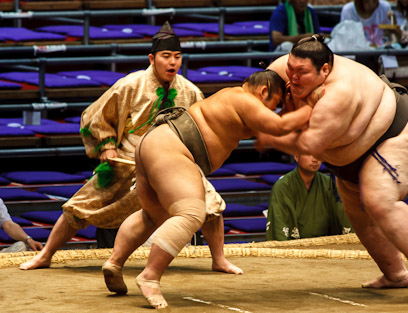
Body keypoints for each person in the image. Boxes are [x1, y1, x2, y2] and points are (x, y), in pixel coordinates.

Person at [19, 22, 241, 275]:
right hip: (129, 158)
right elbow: (97, 116)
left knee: (211, 204)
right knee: (78, 207)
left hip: (174, 161)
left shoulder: (190, 91)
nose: (173, 62)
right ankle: (46, 255)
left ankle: (219, 259)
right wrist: (107, 145)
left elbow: (202, 127)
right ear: (152, 58)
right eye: (166, 56)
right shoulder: (130, 85)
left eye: (177, 57)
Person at [101, 70, 312, 309]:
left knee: (152, 215)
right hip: (173, 148)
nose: (272, 110)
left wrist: (291, 110)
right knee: (191, 212)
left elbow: (268, 127)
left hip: (154, 143)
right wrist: (312, 106)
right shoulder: (245, 99)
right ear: (263, 91)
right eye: (274, 104)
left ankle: (115, 263)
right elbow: (280, 126)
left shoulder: (232, 100)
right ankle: (150, 275)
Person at [263, 35, 408, 303]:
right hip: (346, 157)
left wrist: (274, 120)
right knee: (359, 216)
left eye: (301, 72)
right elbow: (255, 95)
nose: (293, 78)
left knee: (379, 201)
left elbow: (308, 144)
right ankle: (395, 274)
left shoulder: (339, 94)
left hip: (389, 135)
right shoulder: (283, 70)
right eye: (290, 70)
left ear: (325, 70)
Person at [266, 154, 352, 241]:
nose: (315, 159)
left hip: (325, 247)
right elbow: (279, 228)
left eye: (318, 153)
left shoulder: (329, 184)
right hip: (293, 249)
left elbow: (344, 218)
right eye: (309, 154)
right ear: (296, 156)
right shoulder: (283, 186)